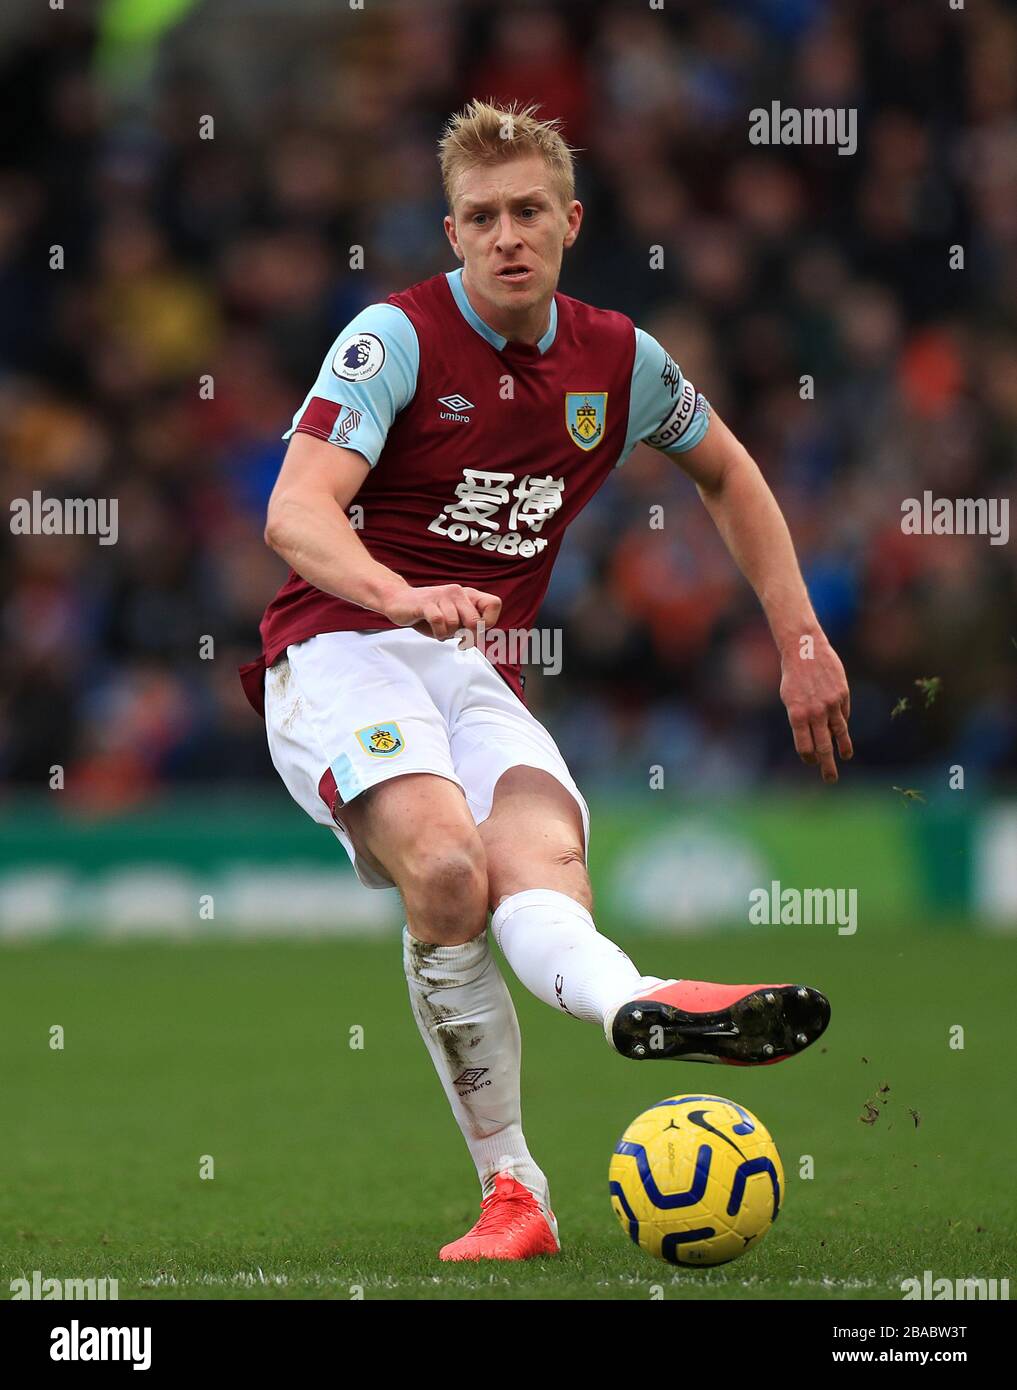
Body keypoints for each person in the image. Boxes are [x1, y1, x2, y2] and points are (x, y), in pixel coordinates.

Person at [238, 99, 850, 1262]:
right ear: (452, 234)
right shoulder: (397, 338)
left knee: (537, 876)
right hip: (339, 647)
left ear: (570, 223)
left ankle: (639, 1006)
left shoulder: (620, 360)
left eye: (528, 212)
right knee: (448, 863)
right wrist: (396, 590)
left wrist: (801, 637)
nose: (507, 234)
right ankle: (511, 1187)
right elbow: (293, 511)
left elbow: (730, 472)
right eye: (482, 218)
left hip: (473, 672)